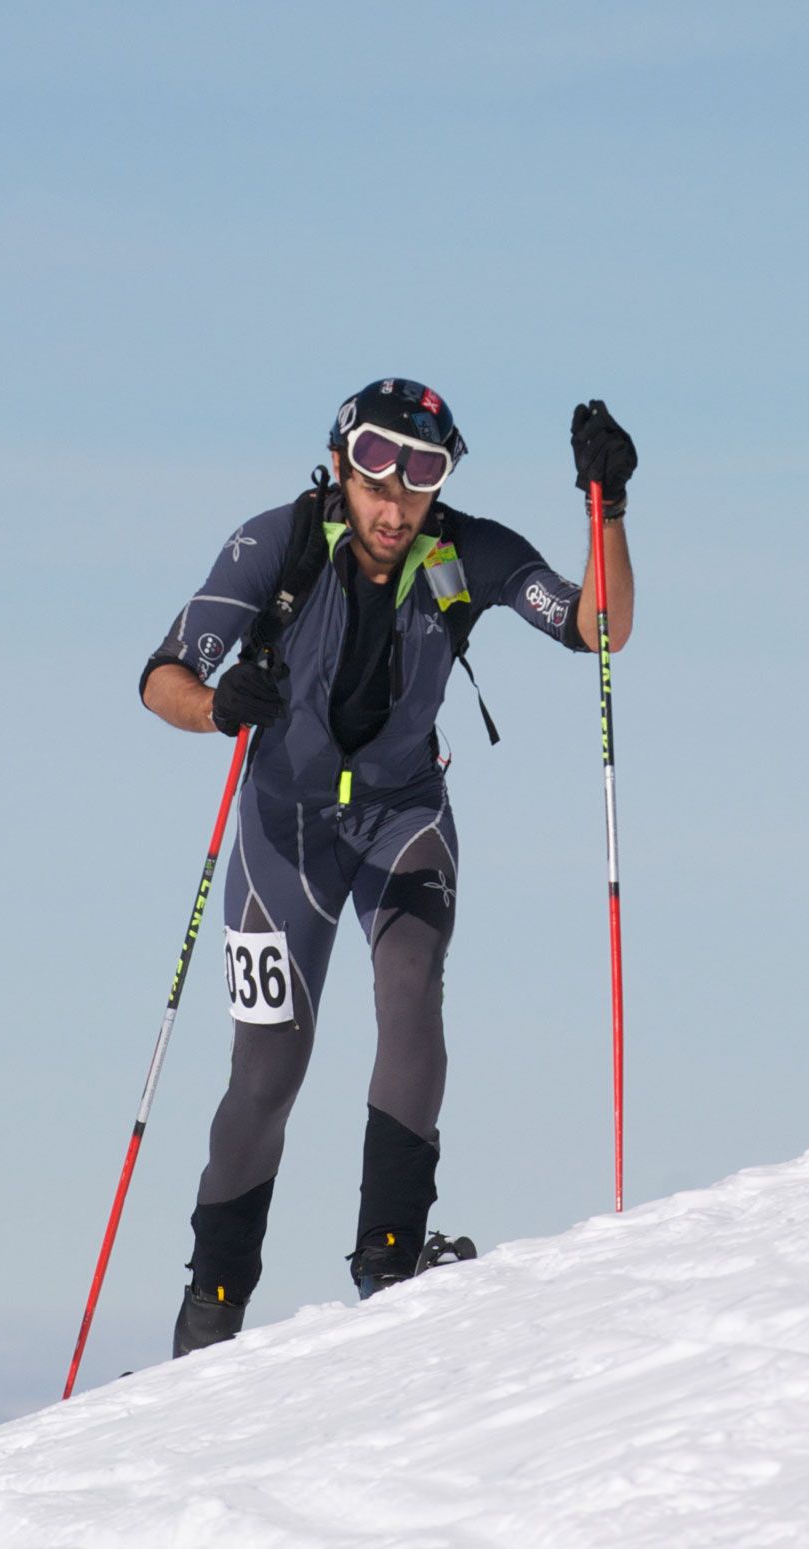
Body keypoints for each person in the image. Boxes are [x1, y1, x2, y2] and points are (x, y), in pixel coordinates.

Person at [140, 380, 636, 1356]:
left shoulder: (465, 553)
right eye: (376, 465)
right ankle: (211, 1314)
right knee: (267, 1069)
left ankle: (391, 1262)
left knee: (412, 985)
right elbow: (163, 678)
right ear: (340, 464)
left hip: (402, 813)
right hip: (284, 835)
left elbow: (599, 628)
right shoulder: (273, 546)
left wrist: (606, 509)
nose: (394, 498)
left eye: (422, 473)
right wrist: (217, 705)